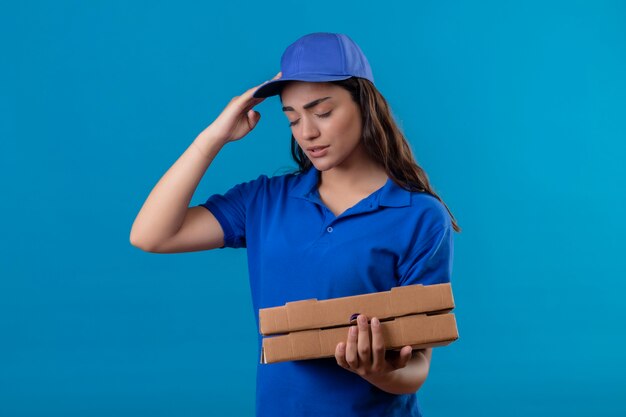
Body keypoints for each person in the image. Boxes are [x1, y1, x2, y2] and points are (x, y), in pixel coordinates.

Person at [130, 32, 461, 417]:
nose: (307, 133)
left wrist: (379, 371)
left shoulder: (418, 215)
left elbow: (417, 367)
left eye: (322, 112)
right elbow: (151, 234)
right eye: (292, 118)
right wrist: (214, 137)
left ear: (365, 105)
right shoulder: (264, 201)